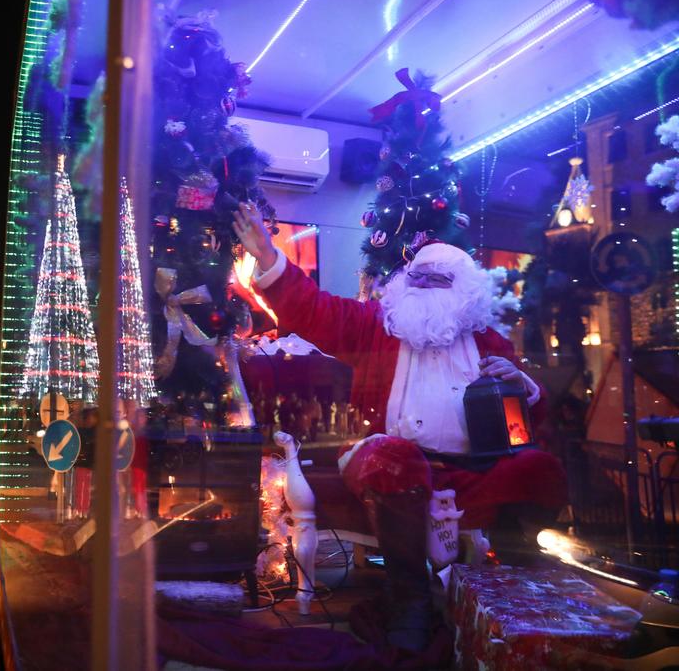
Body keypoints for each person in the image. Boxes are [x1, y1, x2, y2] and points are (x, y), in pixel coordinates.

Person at [234, 202, 567, 652]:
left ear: (466, 291)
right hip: (384, 459)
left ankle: (505, 582)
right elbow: (314, 310)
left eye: (440, 280)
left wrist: (523, 386)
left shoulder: (490, 342)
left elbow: (530, 419)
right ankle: (408, 597)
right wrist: (269, 259)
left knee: (539, 468)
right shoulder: (376, 325)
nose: (426, 287)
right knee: (395, 459)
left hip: (468, 472)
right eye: (419, 278)